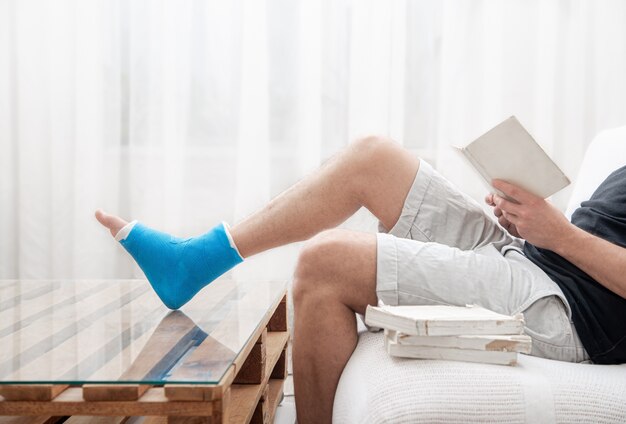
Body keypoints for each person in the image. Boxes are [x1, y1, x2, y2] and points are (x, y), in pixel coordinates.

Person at [96, 136, 626, 424]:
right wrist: (531, 219)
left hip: (570, 311)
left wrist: (558, 235)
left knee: (326, 261)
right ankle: (197, 259)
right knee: (372, 159)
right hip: (539, 259)